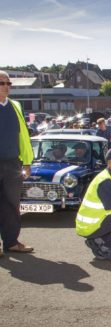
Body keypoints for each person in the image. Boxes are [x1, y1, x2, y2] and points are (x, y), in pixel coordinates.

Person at [0, 70, 34, 257]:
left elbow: (23, 137)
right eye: (1, 83)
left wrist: (27, 162)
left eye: (8, 83)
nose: (6, 86)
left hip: (13, 163)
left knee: (12, 204)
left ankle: (11, 241)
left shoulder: (16, 106)